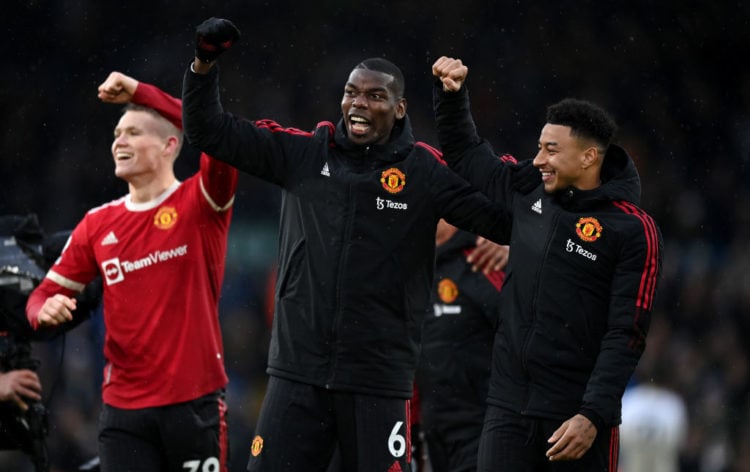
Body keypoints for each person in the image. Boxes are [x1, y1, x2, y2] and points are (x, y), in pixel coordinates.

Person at [180, 18, 532, 472]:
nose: (358, 104)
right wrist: (204, 64)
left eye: (375, 95)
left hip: (377, 382)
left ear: (400, 108)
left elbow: (508, 221)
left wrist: (503, 241)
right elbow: (209, 131)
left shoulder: (423, 173)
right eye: (351, 92)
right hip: (296, 375)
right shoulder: (305, 154)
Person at [431, 56, 664, 471]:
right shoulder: (530, 192)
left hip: (575, 417)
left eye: (551, 150)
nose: (538, 159)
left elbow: (626, 334)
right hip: (506, 408)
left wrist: (592, 414)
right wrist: (452, 97)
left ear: (589, 157)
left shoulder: (633, 230)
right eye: (539, 147)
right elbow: (469, 157)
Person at [25, 71, 238, 472]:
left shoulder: (200, 201)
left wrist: (143, 93)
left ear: (170, 144)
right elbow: (39, 297)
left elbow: (218, 132)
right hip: (124, 414)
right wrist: (44, 310)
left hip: (194, 405)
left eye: (134, 133)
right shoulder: (97, 223)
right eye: (117, 134)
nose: (119, 141)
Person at [414, 219, 507, 472]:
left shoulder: (487, 257)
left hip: (486, 430)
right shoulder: (408, 267)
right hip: (434, 435)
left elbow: (525, 338)